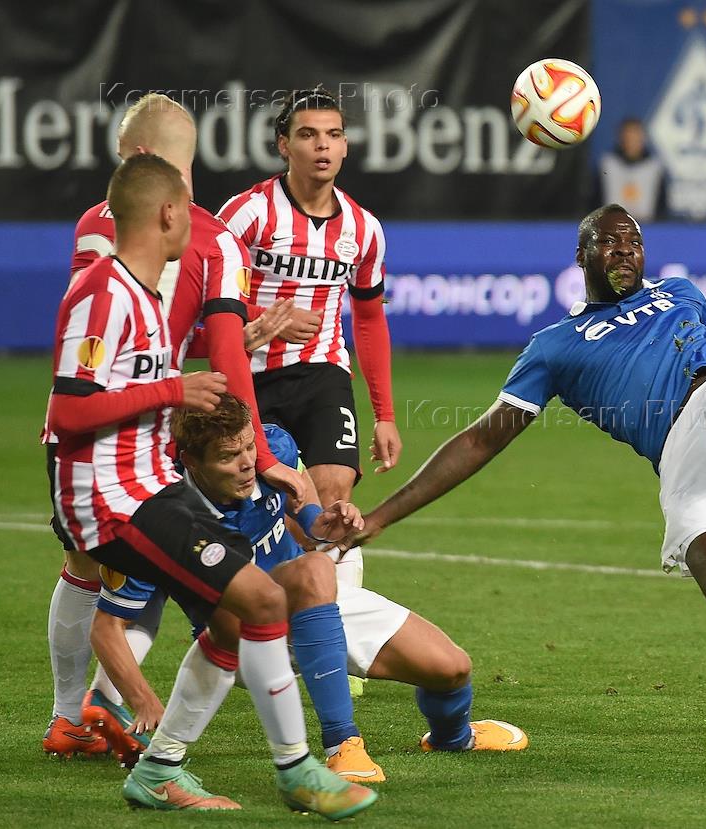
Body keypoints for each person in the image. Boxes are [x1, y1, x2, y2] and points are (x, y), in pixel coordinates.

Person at [350, 203, 706, 736]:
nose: (625, 251)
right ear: (582, 255)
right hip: (684, 457)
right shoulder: (556, 347)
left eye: (634, 243)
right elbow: (480, 440)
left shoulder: (680, 293)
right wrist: (382, 516)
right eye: (609, 242)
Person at [47, 153, 375, 819]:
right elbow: (69, 410)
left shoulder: (145, 297)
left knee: (236, 614)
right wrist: (176, 388)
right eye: (189, 211)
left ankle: (161, 768)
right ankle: (295, 770)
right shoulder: (103, 293)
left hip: (146, 484)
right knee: (261, 597)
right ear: (168, 215)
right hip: (110, 499)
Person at [42, 93, 306, 761]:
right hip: (133, 445)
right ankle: (170, 739)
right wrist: (256, 450)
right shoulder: (217, 242)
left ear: (138, 157)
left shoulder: (95, 226)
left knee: (94, 573)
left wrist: (225, 346)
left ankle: (78, 714)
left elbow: (99, 345)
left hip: (99, 443)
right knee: (219, 593)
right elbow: (213, 360)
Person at [90, 394, 528, 783]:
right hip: (238, 637)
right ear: (190, 460)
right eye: (228, 456)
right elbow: (107, 627)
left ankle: (453, 736)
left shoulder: (274, 451)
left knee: (451, 668)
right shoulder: (154, 515)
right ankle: (343, 744)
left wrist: (328, 523)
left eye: (249, 448)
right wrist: (143, 701)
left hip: (312, 601)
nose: (247, 464)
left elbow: (311, 522)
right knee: (315, 569)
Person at [218, 86, 401, 591]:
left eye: (333, 134)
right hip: (249, 373)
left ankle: (342, 626)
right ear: (283, 145)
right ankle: (283, 608)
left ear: (345, 147)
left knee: (335, 500)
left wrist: (385, 414)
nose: (322, 145)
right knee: (276, 507)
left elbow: (369, 320)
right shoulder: (247, 213)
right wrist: (267, 316)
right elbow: (205, 298)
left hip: (323, 373)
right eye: (308, 134)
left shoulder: (364, 228)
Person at [597, 118, 667, 222]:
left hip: (648, 227)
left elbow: (661, 207)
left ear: (643, 138)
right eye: (628, 137)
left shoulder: (655, 168)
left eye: (635, 137)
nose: (631, 142)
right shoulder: (607, 165)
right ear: (620, 138)